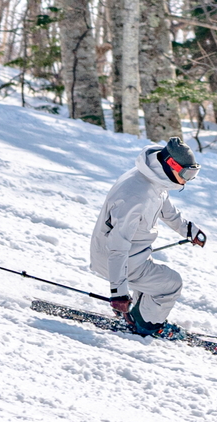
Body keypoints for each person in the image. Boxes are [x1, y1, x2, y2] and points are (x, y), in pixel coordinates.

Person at [89, 137, 207, 337]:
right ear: (171, 164)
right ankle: (147, 327)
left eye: (193, 173)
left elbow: (165, 207)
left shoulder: (152, 178)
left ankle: (139, 316)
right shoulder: (136, 196)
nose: (188, 179)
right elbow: (117, 246)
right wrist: (118, 293)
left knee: (153, 283)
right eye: (187, 173)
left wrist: (189, 230)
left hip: (132, 255)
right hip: (117, 259)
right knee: (171, 284)